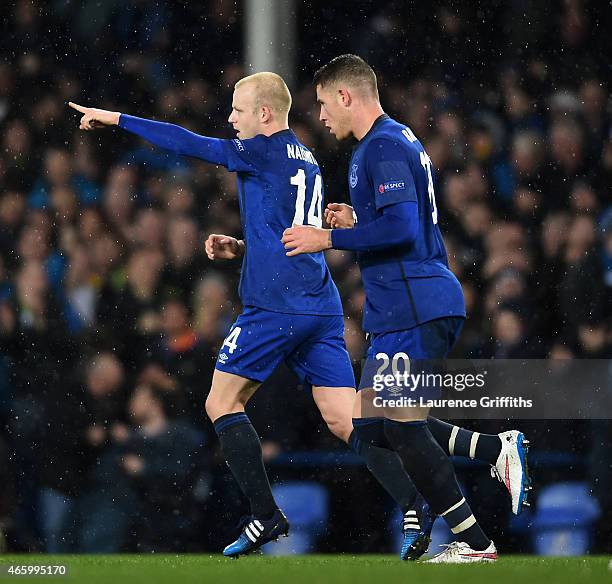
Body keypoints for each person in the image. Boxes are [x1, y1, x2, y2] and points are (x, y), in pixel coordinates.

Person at [67, 75, 423, 557]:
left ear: (265, 115)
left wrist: (115, 118)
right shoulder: (306, 158)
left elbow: (187, 143)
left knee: (221, 403)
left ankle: (264, 513)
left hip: (275, 308)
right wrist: (242, 248)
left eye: (237, 110)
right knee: (345, 420)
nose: (231, 120)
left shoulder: (261, 149)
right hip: (319, 303)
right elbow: (287, 232)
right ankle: (414, 501)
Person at [282, 54, 531, 563]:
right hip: (401, 305)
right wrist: (358, 217)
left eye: (326, 104)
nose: (323, 117)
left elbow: (403, 230)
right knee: (373, 424)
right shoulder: (391, 142)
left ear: (346, 96)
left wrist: (329, 236)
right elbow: (397, 220)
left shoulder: (382, 147)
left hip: (415, 303)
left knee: (397, 424)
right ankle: (493, 451)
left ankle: (475, 544)